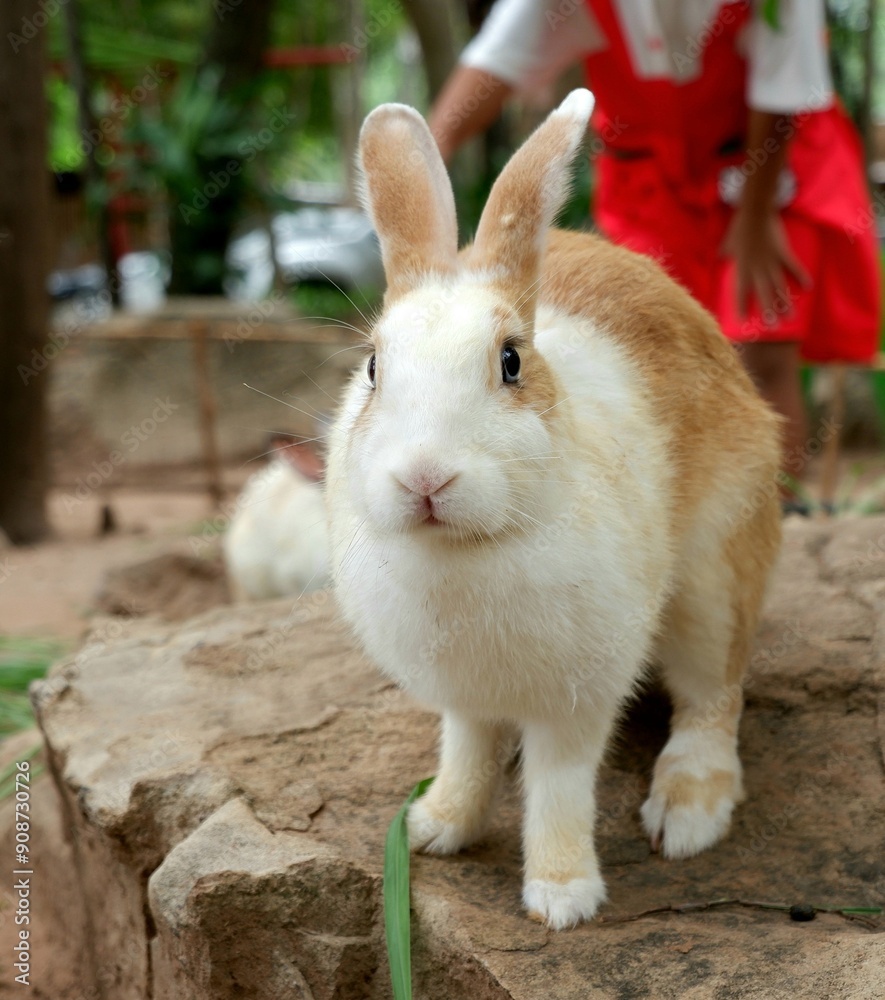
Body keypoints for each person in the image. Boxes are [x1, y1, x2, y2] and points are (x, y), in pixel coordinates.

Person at [429, 0, 881, 507]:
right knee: (646, 342)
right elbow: (495, 62)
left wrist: (755, 218)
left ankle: (777, 513)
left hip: (769, 171)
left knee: (763, 336)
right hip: (652, 182)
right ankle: (667, 518)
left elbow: (783, 89)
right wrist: (429, 160)